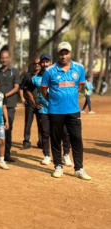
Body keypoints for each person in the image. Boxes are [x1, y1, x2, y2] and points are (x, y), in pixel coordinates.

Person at [41, 42, 91, 180]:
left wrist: (70, 97)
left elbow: (79, 86)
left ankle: (79, 168)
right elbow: (43, 89)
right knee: (56, 139)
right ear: (58, 54)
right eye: (61, 53)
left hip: (73, 110)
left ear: (70, 53)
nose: (64, 56)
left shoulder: (79, 68)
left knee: (76, 138)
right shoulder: (50, 70)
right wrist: (53, 100)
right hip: (55, 111)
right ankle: (58, 166)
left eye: (66, 53)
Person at [27, 53, 72, 167]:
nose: (45, 64)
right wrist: (35, 103)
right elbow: (28, 90)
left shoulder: (58, 74)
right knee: (45, 133)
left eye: (47, 61)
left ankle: (66, 155)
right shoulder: (36, 78)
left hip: (60, 109)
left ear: (51, 62)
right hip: (44, 110)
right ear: (40, 63)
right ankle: (47, 155)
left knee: (65, 133)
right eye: (43, 62)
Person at [0, 50, 20, 162]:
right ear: (0, 59)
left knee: (7, 128)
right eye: (2, 58)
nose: (4, 60)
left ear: (10, 59)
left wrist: (4, 96)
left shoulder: (14, 71)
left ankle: (7, 153)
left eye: (6, 57)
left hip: (9, 105)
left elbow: (16, 87)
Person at [20, 58, 42, 149]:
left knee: (41, 123)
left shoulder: (45, 75)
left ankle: (41, 142)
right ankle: (26, 142)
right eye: (35, 63)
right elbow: (21, 87)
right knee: (28, 122)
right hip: (29, 103)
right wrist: (22, 98)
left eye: (38, 63)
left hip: (41, 103)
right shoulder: (28, 75)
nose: (36, 65)